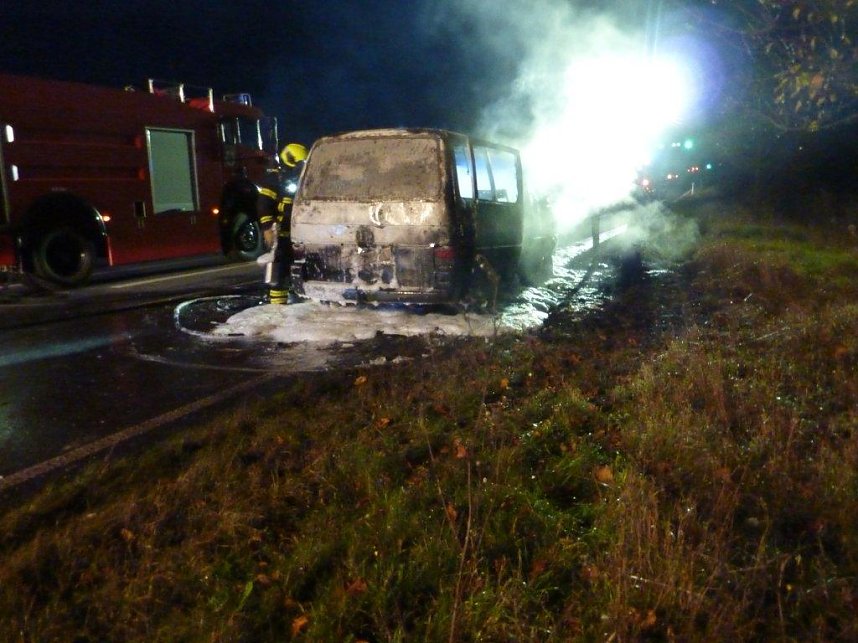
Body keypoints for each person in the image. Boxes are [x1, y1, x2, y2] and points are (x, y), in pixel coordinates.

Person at [257, 143, 308, 304]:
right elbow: (264, 204)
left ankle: (300, 300)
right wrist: (267, 228)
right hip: (281, 235)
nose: (301, 167)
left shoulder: (303, 179)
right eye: (299, 163)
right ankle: (277, 306)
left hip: (299, 235)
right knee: (279, 272)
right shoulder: (275, 179)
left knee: (302, 269)